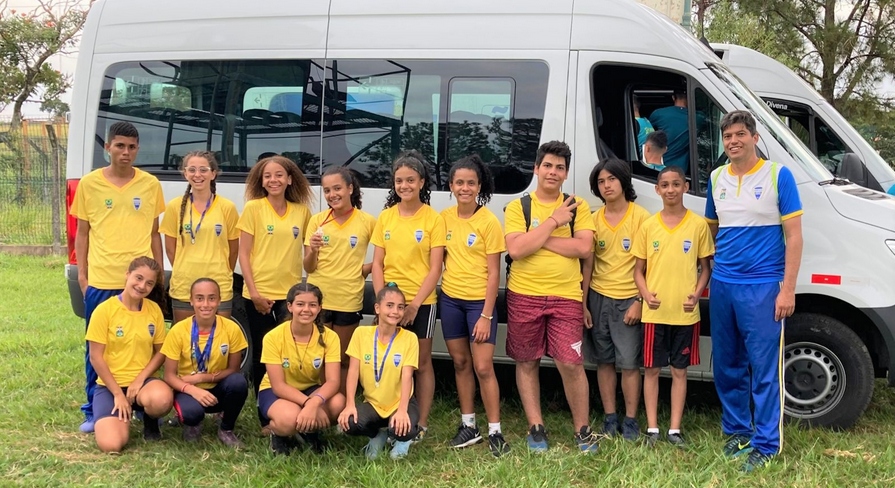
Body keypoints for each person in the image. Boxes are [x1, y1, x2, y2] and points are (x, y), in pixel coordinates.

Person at [706, 110, 803, 472]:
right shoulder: (717, 177)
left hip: (764, 286)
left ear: (755, 137)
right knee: (728, 365)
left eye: (740, 134)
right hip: (724, 285)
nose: (733, 141)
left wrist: (787, 289)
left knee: (763, 369)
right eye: (728, 135)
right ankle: (736, 430)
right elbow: (715, 230)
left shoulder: (779, 175)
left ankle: (766, 444)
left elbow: (794, 236)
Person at [504, 140, 599, 453]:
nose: (553, 172)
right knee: (527, 361)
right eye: (547, 165)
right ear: (536, 168)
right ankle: (536, 428)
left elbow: (584, 248)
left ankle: (582, 430)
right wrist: (553, 223)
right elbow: (516, 251)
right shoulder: (519, 206)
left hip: (566, 297)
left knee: (571, 363)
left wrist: (537, 238)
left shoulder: (577, 206)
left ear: (566, 172)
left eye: (560, 167)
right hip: (524, 294)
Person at [72, 121, 166, 433]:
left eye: (131, 147)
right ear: (108, 147)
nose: (125, 152)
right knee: (97, 349)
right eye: (119, 146)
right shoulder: (89, 184)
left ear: (137, 150)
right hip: (102, 279)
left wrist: (160, 272)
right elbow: (82, 234)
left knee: (142, 344)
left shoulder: (150, 184)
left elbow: (154, 233)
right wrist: (83, 277)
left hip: (140, 281)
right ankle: (92, 408)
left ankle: (139, 403)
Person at [632, 165, 713, 448]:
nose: (670, 190)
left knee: (680, 371)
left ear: (685, 187)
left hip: (685, 314)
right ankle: (653, 428)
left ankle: (674, 429)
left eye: (676, 184)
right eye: (664, 185)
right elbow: (638, 271)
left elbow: (706, 268)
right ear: (657, 189)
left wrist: (697, 293)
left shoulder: (698, 224)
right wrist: (645, 294)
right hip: (654, 313)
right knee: (652, 370)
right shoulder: (649, 225)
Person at [370, 150, 445, 442]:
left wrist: (413, 304)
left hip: (421, 304)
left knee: (421, 364)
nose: (405, 186)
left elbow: (435, 267)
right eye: (399, 180)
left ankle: (420, 425)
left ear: (422, 182)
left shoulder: (433, 219)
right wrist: (382, 301)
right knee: (389, 362)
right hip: (389, 305)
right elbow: (377, 263)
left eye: (411, 180)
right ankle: (386, 417)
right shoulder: (386, 217)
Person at [439, 155, 509, 456]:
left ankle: (495, 430)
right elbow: (437, 260)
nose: (464, 188)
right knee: (460, 363)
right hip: (450, 299)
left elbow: (495, 273)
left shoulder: (489, 221)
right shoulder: (443, 218)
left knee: (482, 366)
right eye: (459, 182)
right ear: (452, 186)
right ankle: (469, 425)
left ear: (479, 186)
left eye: (470, 182)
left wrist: (485, 314)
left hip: (479, 304)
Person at [582, 157, 650, 441]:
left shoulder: (641, 218)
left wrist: (639, 300)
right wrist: (583, 304)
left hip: (628, 301)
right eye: (601, 181)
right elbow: (588, 265)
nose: (607, 185)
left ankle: (631, 420)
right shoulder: (593, 219)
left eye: (611, 179)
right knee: (604, 362)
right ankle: (610, 417)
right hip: (598, 298)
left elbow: (649, 266)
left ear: (623, 181)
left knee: (630, 364)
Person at [237, 155, 312, 396]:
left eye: (279, 175)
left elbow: (309, 260)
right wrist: (255, 293)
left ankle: (287, 396)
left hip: (290, 295)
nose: (273, 180)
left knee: (288, 349)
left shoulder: (302, 212)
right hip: (258, 294)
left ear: (290, 179)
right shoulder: (253, 208)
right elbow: (244, 255)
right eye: (267, 176)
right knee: (262, 350)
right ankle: (263, 400)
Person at [86, 256, 172, 452]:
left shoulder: (154, 311)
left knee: (162, 399)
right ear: (127, 275)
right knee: (112, 445)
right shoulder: (104, 310)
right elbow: (95, 357)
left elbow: (161, 352)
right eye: (138, 278)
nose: (142, 286)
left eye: (149, 283)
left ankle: (149, 421)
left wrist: (140, 379)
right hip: (110, 386)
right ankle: (121, 415)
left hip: (142, 385)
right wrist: (118, 393)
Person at [304, 167, 375, 393]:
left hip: (348, 300)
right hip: (319, 299)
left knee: (343, 359)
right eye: (327, 190)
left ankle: (342, 408)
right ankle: (323, 404)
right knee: (322, 356)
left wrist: (363, 270)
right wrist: (312, 250)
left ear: (350, 189)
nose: (332, 194)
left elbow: (386, 254)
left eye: (337, 188)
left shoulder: (367, 222)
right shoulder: (317, 221)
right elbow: (308, 266)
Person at [258, 283, 346, 455]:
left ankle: (308, 430)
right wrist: (310, 404)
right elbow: (278, 386)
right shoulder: (273, 337)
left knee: (338, 403)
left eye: (312, 305)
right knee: (289, 420)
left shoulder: (330, 337)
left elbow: (334, 381)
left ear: (320, 308)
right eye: (300, 304)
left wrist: (315, 401)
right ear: (290, 306)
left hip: (310, 389)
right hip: (277, 392)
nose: (306, 309)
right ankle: (278, 433)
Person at [161, 278, 248, 448]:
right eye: (199, 298)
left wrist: (201, 378)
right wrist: (193, 389)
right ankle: (193, 423)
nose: (206, 304)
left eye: (212, 298)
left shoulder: (231, 328)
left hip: (216, 388)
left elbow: (234, 370)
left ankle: (226, 429)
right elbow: (169, 376)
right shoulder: (179, 330)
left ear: (219, 300)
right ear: (191, 301)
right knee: (192, 413)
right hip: (187, 389)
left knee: (238, 383)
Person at [338, 285, 420, 460]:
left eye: (400, 307)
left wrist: (403, 410)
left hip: (399, 402)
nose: (395, 312)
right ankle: (377, 436)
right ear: (377, 308)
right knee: (350, 423)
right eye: (389, 306)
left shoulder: (409, 338)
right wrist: (349, 404)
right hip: (374, 403)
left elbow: (407, 376)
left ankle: (402, 441)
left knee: (405, 429)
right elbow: (352, 371)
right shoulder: (361, 334)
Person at [160, 151, 239, 324]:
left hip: (219, 284)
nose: (198, 175)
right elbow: (170, 249)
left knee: (218, 341)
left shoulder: (227, 207)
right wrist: (185, 268)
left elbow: (233, 251)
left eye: (203, 170)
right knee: (184, 342)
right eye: (192, 170)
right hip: (184, 285)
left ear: (213, 173)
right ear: (185, 173)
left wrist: (222, 270)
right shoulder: (174, 207)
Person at [649, 89, 690, 172]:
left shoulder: (658, 114)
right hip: (681, 172)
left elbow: (646, 133)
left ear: (673, 97)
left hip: (657, 169)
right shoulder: (697, 118)